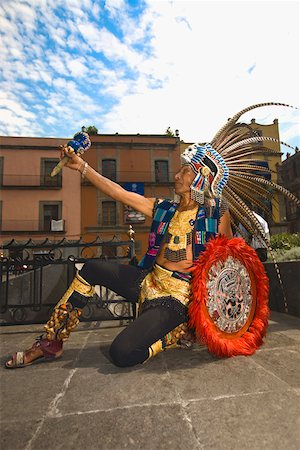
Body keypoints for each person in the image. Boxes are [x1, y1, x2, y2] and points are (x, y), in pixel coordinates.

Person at [5, 102, 299, 368]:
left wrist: (213, 319)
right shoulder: (163, 209)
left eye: (184, 171)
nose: (176, 175)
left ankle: (180, 330)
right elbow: (118, 192)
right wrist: (81, 166)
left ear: (199, 179)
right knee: (92, 268)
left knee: (123, 353)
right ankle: (51, 342)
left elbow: (229, 267)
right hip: (148, 280)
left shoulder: (216, 216)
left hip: (176, 298)